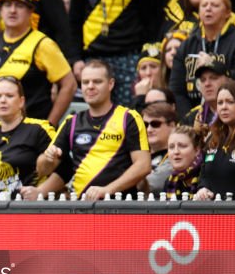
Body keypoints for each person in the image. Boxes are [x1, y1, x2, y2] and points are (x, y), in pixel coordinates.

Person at [35, 60, 151, 200]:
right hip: (82, 209)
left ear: (110, 84)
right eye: (85, 82)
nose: (90, 86)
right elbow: (42, 170)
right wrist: (48, 159)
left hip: (120, 207)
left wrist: (107, 190)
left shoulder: (129, 118)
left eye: (97, 81)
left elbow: (143, 165)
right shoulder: (71, 122)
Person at [0, 0, 76, 126]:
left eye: (19, 5)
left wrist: (49, 125)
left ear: (30, 12)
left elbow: (69, 85)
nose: (12, 10)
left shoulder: (43, 44)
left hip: (32, 130)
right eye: (7, 5)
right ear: (0, 10)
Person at [170, 0, 235, 118]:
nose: (208, 9)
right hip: (194, 115)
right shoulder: (187, 45)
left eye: (215, 5)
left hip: (233, 113)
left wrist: (218, 67)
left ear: (228, 13)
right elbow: (176, 89)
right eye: (204, 5)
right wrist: (189, 118)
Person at [0, 76, 56, 201]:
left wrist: (40, 192)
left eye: (9, 96)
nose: (3, 100)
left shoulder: (40, 129)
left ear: (21, 101)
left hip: (35, 207)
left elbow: (63, 170)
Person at [142, 101, 177, 192]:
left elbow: (154, 184)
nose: (149, 129)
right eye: (145, 125)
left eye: (155, 124)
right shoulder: (138, 155)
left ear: (172, 126)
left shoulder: (177, 154)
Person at [164, 124, 203, 198]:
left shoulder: (206, 178)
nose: (176, 152)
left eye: (182, 146)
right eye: (171, 147)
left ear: (197, 150)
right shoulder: (169, 181)